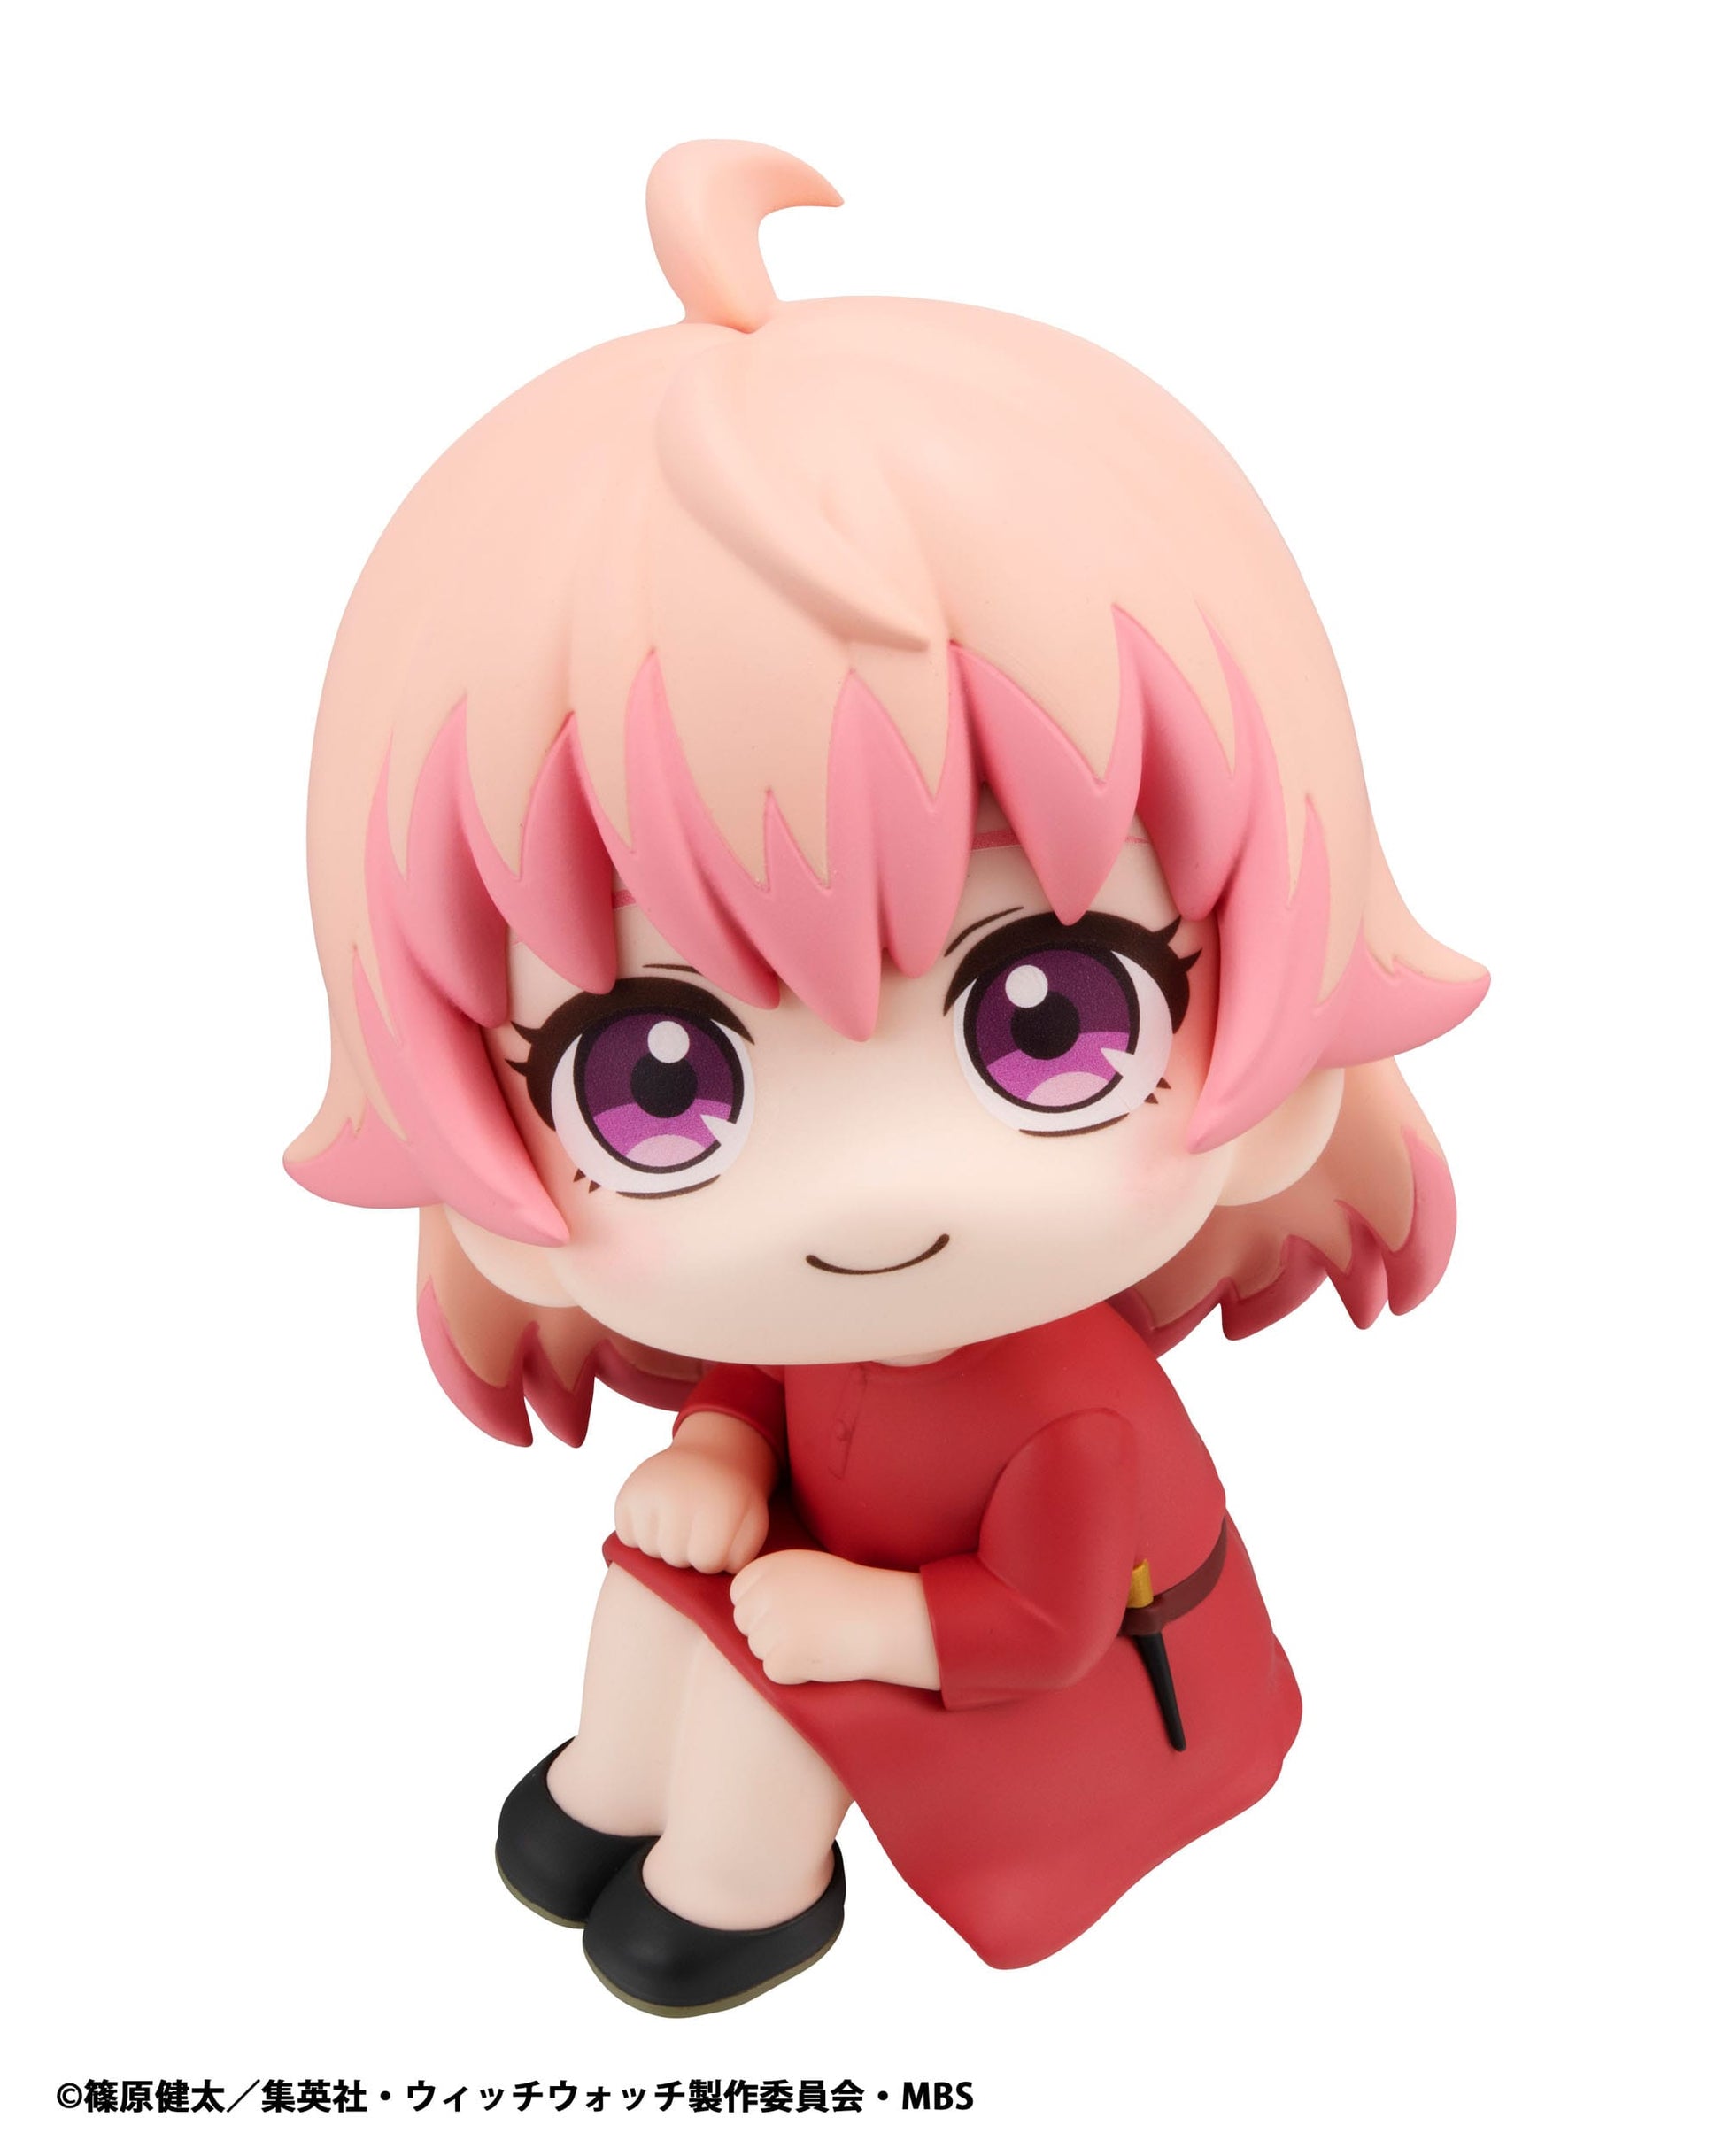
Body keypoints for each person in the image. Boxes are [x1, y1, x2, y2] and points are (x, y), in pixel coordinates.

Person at [289, 139, 1486, 2015]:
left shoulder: (1070, 1419)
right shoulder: (819, 1330)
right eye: (652, 1079)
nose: (867, 1187)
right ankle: (604, 1795)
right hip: (833, 1577)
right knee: (656, 1597)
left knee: (775, 1695)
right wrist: (715, 1447)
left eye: (1048, 1014)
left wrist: (867, 1615)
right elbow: (780, 1396)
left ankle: (736, 1888)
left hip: (1060, 1682)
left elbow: (1046, 1622)